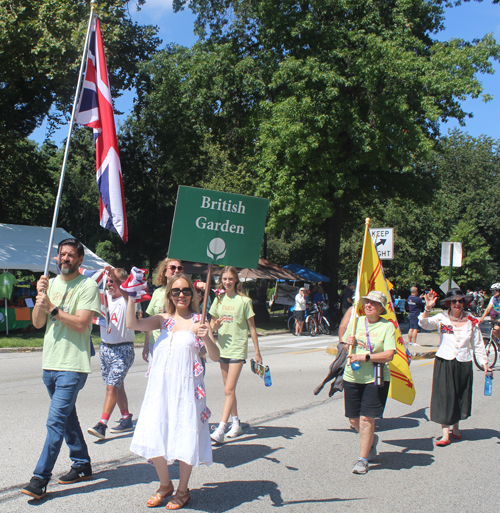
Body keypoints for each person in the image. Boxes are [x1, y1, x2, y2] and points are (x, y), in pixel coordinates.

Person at [127, 273, 219, 510]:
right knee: (154, 432)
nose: (181, 295)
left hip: (187, 390)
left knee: (185, 435)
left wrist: (206, 337)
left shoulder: (199, 320)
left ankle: (182, 489)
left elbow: (215, 356)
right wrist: (130, 296)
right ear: (169, 294)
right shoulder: (162, 320)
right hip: (160, 388)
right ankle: (165, 484)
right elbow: (133, 324)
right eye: (176, 291)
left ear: (193, 294)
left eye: (186, 290)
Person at [21, 239, 100, 500]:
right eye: (61, 255)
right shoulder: (50, 284)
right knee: (67, 418)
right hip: (50, 363)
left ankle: (39, 479)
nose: (65, 258)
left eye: (70, 255)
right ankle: (82, 464)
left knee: (55, 421)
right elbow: (37, 323)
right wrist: (40, 299)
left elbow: (81, 324)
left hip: (73, 365)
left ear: (80, 260)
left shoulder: (88, 285)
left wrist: (53, 308)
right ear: (56, 259)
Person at [419, 288, 492, 446]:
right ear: (449, 303)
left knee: (460, 394)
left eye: (460, 301)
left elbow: (478, 344)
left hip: (463, 361)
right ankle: (445, 433)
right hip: (445, 361)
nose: (457, 304)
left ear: (464, 303)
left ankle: (456, 427)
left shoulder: (471, 320)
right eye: (454, 301)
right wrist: (428, 307)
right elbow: (424, 323)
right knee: (445, 396)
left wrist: (484, 363)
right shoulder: (441, 318)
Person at [343, 290, 396, 475]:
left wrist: (365, 356)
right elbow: (345, 346)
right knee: (353, 419)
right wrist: (347, 342)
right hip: (352, 376)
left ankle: (362, 459)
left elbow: (389, 354)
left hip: (375, 376)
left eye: (373, 303)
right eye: (367, 302)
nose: (368, 305)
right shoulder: (356, 321)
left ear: (381, 308)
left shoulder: (387, 327)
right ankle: (371, 440)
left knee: (366, 418)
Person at [209, 266, 263, 444]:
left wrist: (257, 352)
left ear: (236, 280)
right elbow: (211, 324)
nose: (227, 282)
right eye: (224, 279)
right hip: (222, 349)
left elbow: (252, 328)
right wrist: (214, 327)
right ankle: (236, 423)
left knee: (228, 390)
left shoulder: (244, 301)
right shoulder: (218, 299)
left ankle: (221, 428)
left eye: (230, 279)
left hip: (237, 349)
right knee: (229, 391)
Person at [87, 267, 136, 439]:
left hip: (123, 349)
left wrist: (115, 276)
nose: (109, 285)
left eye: (112, 282)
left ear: (121, 284)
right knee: (117, 385)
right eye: (107, 281)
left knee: (111, 387)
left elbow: (127, 294)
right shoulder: (104, 298)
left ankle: (102, 424)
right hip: (106, 348)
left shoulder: (126, 300)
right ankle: (126, 417)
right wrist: (105, 275)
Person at [143, 258, 185, 364]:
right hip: (156, 343)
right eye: (173, 267)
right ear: (164, 272)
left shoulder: (185, 293)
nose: (176, 270)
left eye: (179, 268)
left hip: (176, 344)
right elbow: (150, 320)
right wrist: (146, 345)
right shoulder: (157, 292)